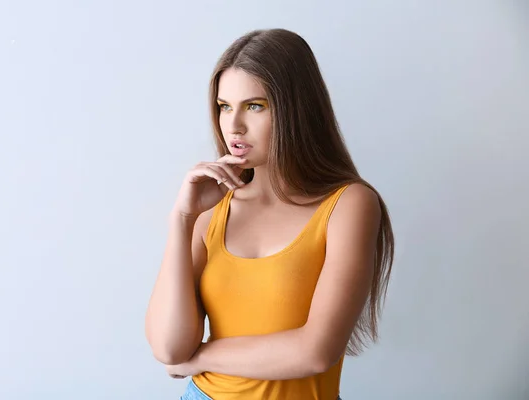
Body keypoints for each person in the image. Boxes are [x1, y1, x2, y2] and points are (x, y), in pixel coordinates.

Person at [145, 28, 395, 400]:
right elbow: (168, 350)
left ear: (297, 109)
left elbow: (315, 352)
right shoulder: (211, 210)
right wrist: (181, 220)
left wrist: (200, 358)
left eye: (255, 106)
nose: (234, 126)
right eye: (225, 106)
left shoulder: (349, 205)